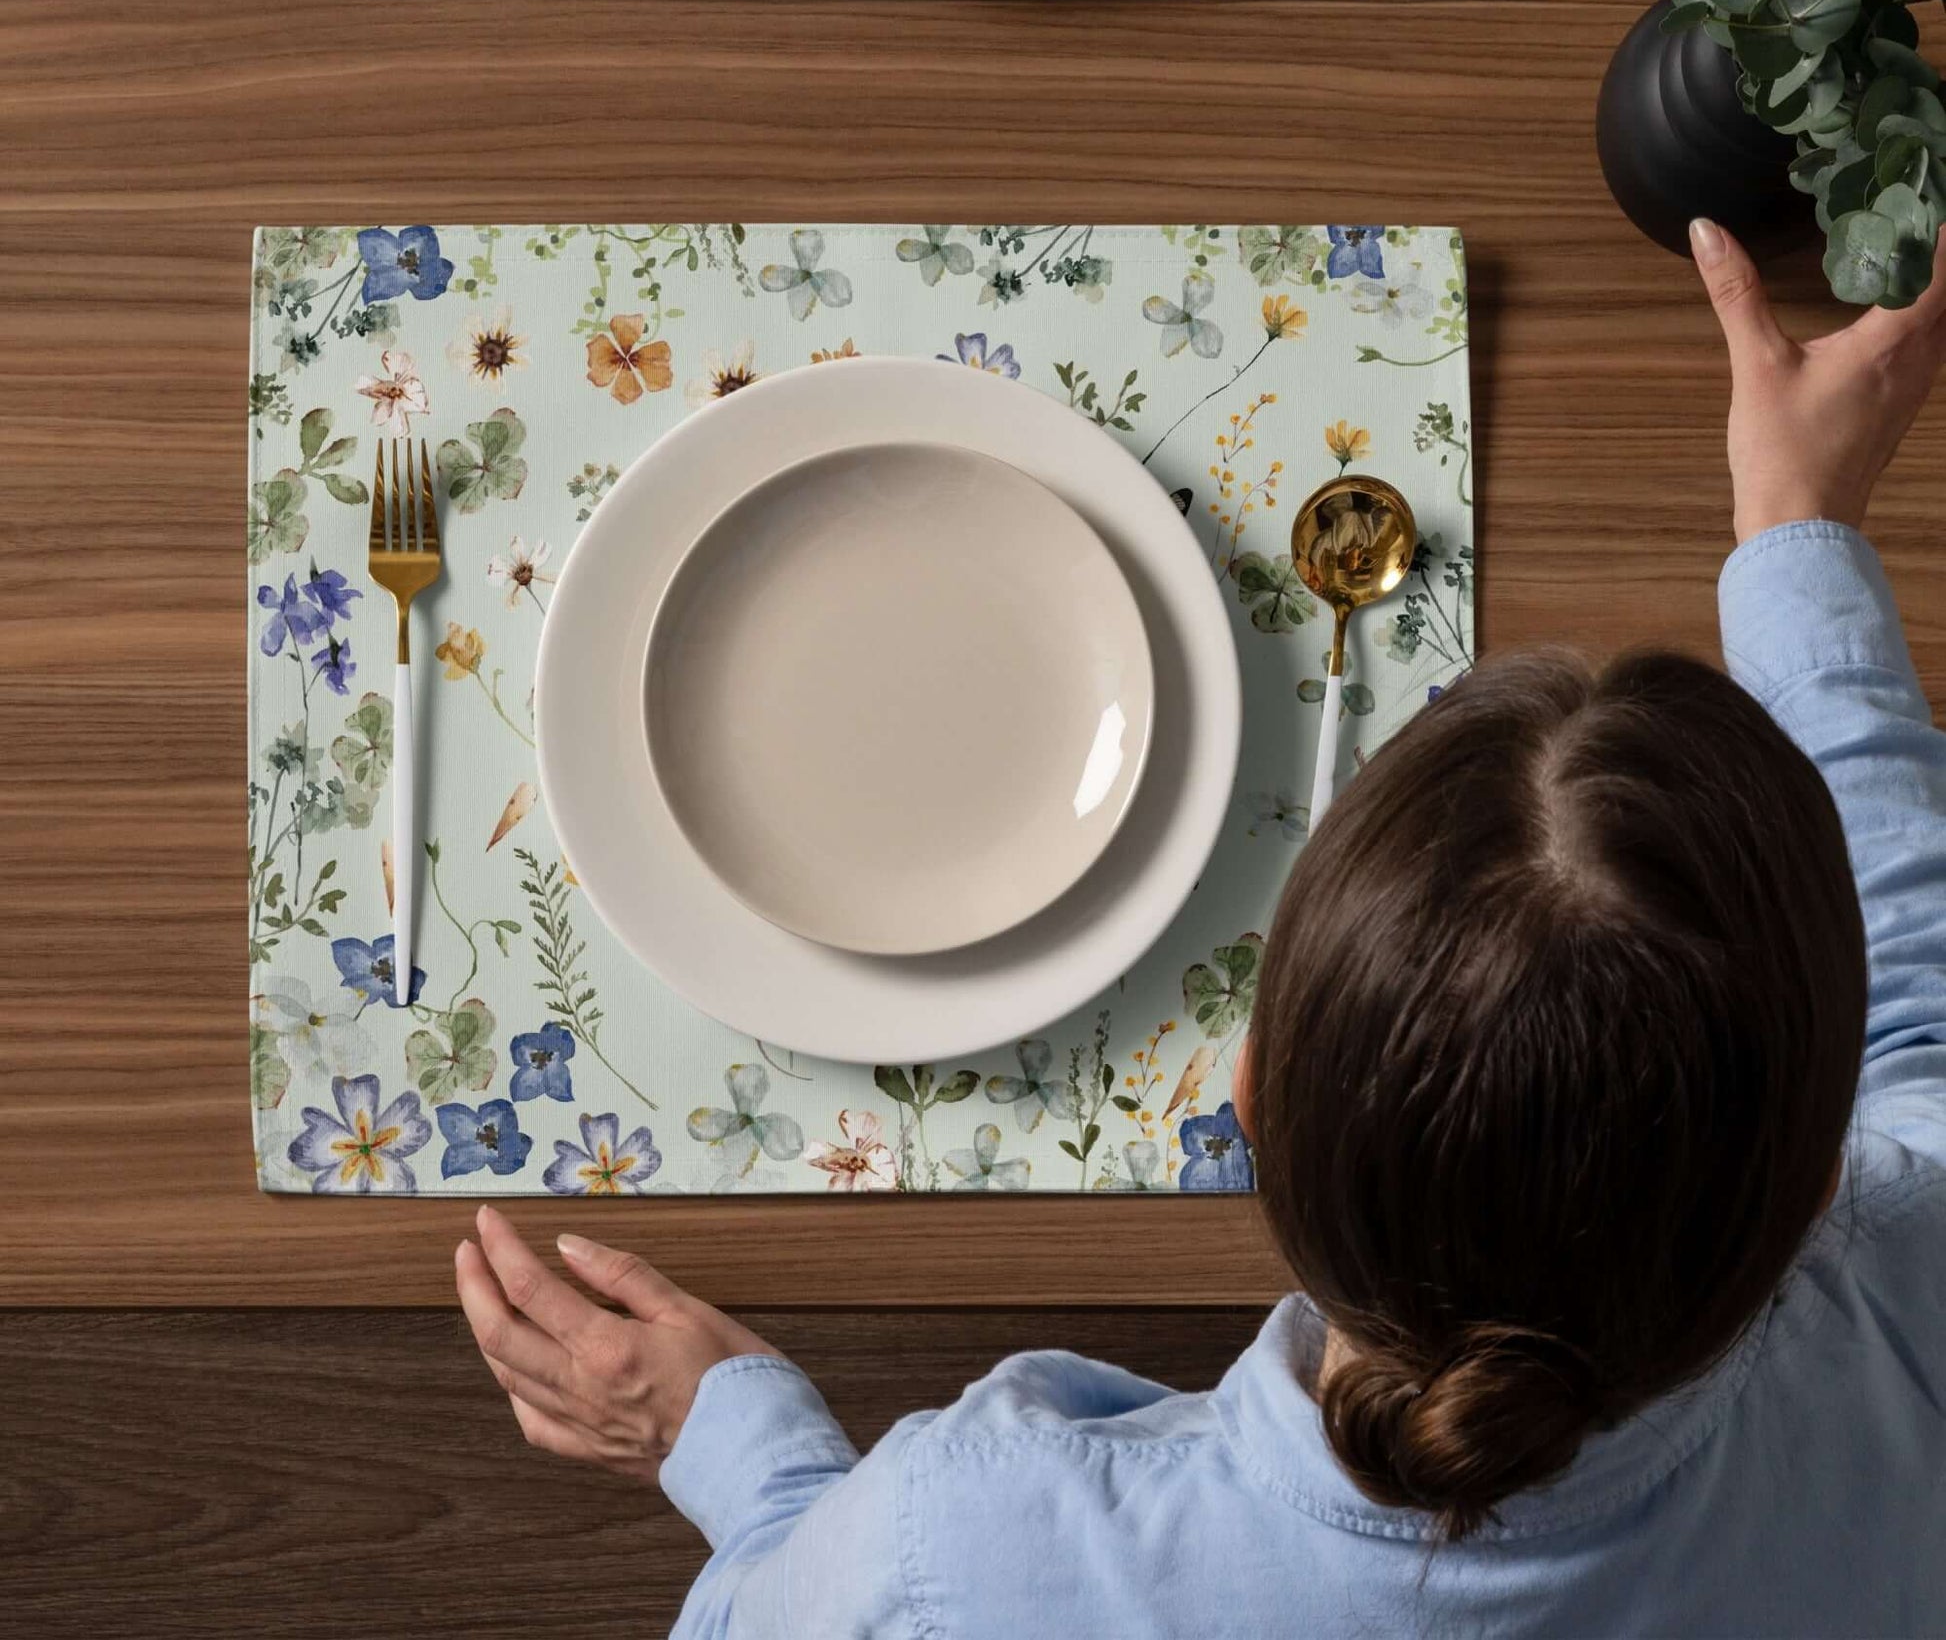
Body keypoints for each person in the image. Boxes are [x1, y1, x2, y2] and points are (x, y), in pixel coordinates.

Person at [454, 221, 1946, 1638]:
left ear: (1244, 1101)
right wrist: (1794, 531)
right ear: (1815, 1179)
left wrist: (743, 1457)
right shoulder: (1910, 1303)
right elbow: (1920, 1026)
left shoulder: (959, 1556)